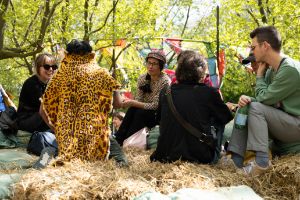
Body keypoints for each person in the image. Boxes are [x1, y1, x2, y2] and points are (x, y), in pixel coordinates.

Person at [224, 26, 300, 176]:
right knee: (247, 105)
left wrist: (259, 76)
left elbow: (264, 99)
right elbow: (263, 99)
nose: (252, 51)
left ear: (265, 46)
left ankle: (261, 163)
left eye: (253, 47)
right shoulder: (272, 69)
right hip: (286, 123)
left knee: (255, 107)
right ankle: (236, 158)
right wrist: (247, 99)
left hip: (296, 125)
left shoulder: (289, 69)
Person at [39, 39, 127, 164]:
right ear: (90, 54)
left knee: (54, 149)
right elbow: (118, 104)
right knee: (122, 161)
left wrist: (59, 130)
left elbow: (42, 111)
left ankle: (44, 161)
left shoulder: (58, 77)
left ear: (67, 54)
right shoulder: (101, 74)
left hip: (67, 141)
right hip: (95, 139)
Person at [150, 50, 233, 164]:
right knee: (218, 121)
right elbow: (226, 118)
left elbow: (159, 120)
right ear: (201, 72)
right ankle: (215, 158)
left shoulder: (166, 91)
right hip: (199, 157)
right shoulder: (209, 93)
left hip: (165, 155)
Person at [114, 50, 171, 145]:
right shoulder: (142, 78)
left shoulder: (165, 81)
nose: (150, 66)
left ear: (160, 66)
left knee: (139, 112)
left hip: (159, 115)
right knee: (133, 109)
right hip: (144, 111)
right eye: (149, 63)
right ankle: (119, 140)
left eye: (154, 64)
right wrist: (130, 102)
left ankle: (127, 142)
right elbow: (139, 100)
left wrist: (132, 102)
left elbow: (155, 106)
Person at [16, 53, 57, 133]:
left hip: (39, 119)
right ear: (38, 68)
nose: (51, 69)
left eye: (54, 67)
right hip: (26, 120)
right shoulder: (31, 84)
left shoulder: (49, 84)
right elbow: (46, 108)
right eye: (47, 66)